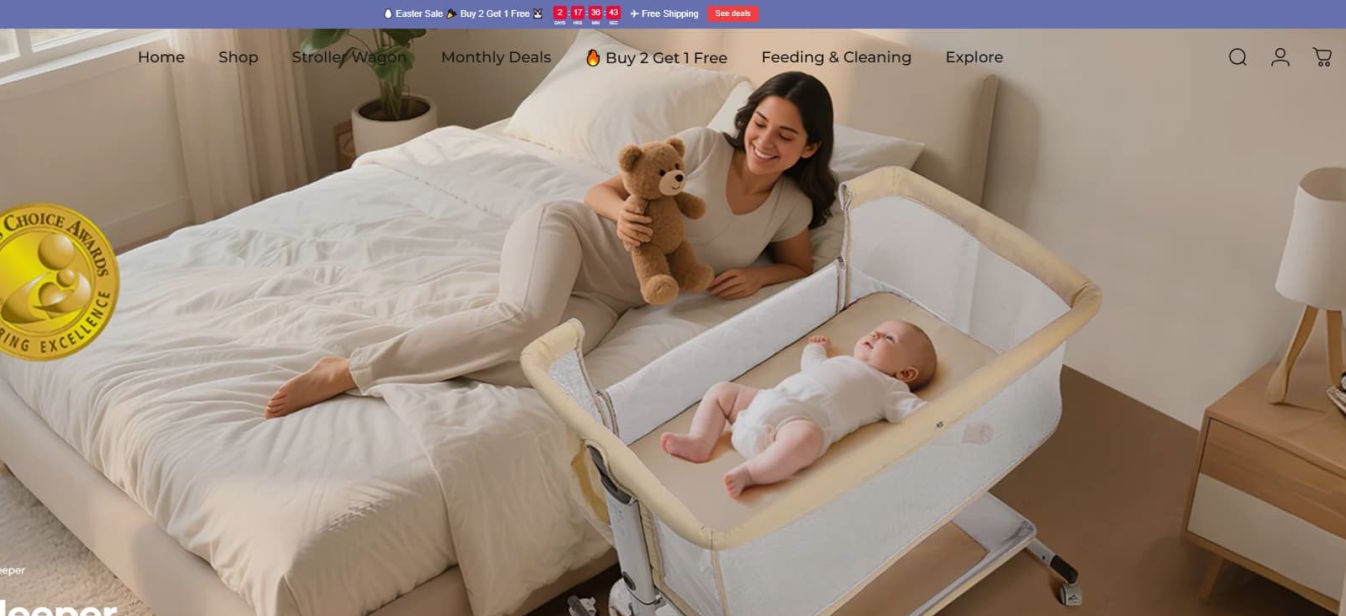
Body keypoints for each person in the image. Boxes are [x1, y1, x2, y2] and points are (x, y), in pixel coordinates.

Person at [265, 71, 839, 418]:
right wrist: (622, 215)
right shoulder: (703, 147)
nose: (765, 140)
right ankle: (348, 370)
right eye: (760, 123)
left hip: (614, 298)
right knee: (524, 320)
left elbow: (798, 267)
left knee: (540, 368)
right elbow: (600, 191)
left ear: (810, 148)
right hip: (573, 235)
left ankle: (436, 351)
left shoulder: (790, 205)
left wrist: (759, 276)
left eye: (785, 134)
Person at [661, 322, 938, 498]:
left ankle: (753, 473)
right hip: (766, 400)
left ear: (906, 373)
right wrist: (816, 349)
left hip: (795, 423)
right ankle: (700, 441)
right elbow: (812, 366)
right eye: (875, 330)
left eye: (888, 338)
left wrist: (946, 418)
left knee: (807, 438)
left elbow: (919, 413)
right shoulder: (841, 361)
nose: (874, 334)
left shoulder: (890, 388)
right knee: (722, 391)